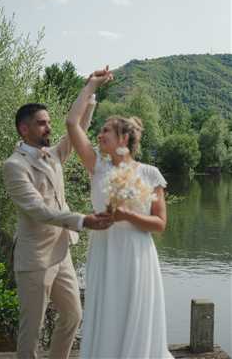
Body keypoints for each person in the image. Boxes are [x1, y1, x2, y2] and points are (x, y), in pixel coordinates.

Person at [66, 66, 173, 358]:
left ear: (123, 139)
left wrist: (127, 216)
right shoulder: (97, 167)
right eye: (100, 131)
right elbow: (72, 123)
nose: (98, 134)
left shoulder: (150, 174)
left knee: (134, 310)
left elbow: (160, 224)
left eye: (105, 131)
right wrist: (90, 87)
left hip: (137, 253)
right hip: (105, 249)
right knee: (107, 310)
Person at [3, 81, 112, 359]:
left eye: (49, 122)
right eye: (42, 123)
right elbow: (39, 210)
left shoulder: (52, 155)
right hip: (35, 259)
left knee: (73, 316)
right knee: (32, 329)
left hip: (61, 253)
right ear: (24, 129)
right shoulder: (14, 166)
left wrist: (90, 93)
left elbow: (78, 132)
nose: (49, 128)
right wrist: (83, 220)